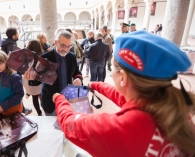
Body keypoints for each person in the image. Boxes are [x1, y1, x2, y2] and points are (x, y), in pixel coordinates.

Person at [53, 30, 195, 156]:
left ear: (123, 77)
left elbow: (69, 124)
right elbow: (124, 97)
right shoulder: (176, 108)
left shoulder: (119, 128)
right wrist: (95, 84)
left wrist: (60, 100)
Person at [24, 30, 83, 116]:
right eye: (63, 45)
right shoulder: (45, 58)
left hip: (68, 99)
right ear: (55, 42)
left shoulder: (72, 57)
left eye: (69, 46)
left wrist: (79, 79)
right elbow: (37, 80)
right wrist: (32, 78)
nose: (66, 49)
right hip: (50, 102)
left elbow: (77, 72)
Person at [1, 27, 32, 115]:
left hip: (9, 73)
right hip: (13, 73)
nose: (18, 35)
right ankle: (21, 110)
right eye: (17, 33)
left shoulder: (5, 43)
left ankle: (21, 108)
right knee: (18, 91)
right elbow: (14, 61)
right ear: (13, 36)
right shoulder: (11, 45)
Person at [0, 51, 24, 116]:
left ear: (7, 62)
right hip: (0, 107)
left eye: (0, 63)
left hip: (13, 108)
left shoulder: (14, 77)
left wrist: (4, 106)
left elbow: (19, 94)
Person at [22, 40, 43, 116]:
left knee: (34, 98)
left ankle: (39, 112)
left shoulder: (25, 57)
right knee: (42, 96)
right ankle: (44, 108)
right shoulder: (42, 57)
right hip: (40, 80)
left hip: (29, 79)